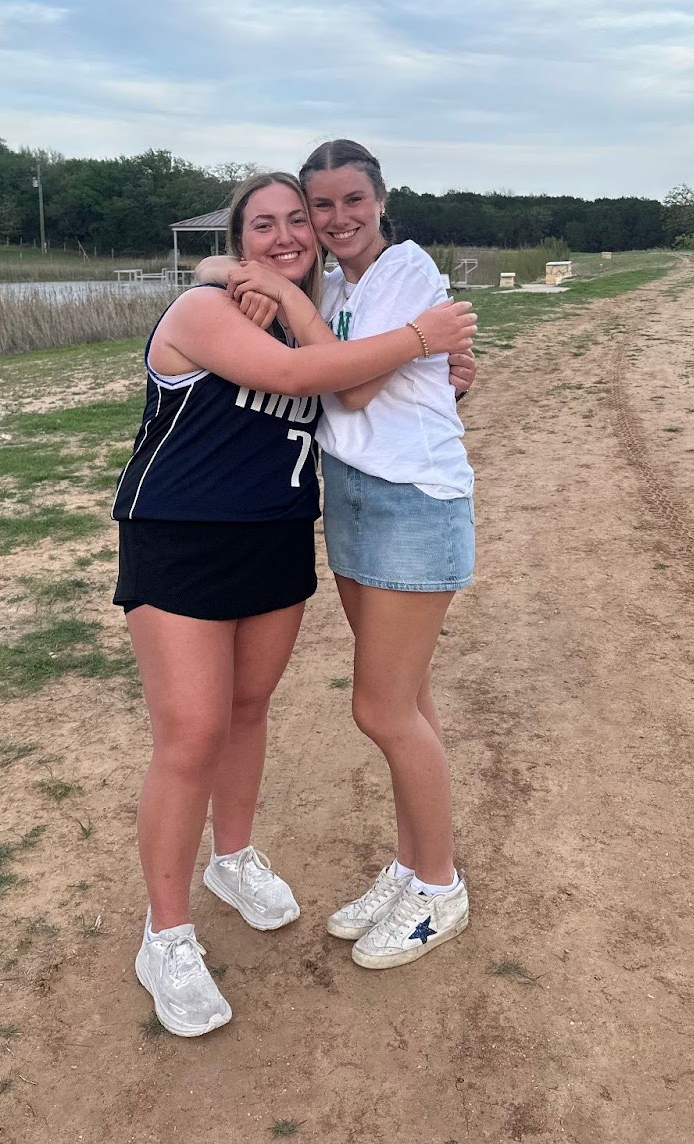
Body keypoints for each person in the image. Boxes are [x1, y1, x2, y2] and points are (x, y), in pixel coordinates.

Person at [114, 171, 476, 1036]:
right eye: (264, 225)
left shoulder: (313, 307)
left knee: (246, 710)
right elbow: (306, 375)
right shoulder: (209, 310)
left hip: (275, 536)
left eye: (296, 223)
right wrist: (420, 336)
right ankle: (164, 936)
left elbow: (360, 389)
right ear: (238, 238)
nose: (286, 236)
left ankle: (232, 858)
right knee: (191, 734)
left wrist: (443, 374)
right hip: (182, 538)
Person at [218, 140, 476, 971]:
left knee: (381, 709)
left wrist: (413, 338)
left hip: (411, 502)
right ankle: (409, 867)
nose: (334, 220)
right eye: (318, 206)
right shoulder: (338, 285)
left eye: (349, 201)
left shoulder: (402, 266)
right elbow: (218, 283)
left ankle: (438, 889)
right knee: (412, 699)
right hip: (354, 498)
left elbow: (353, 386)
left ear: (381, 198)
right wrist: (254, 284)